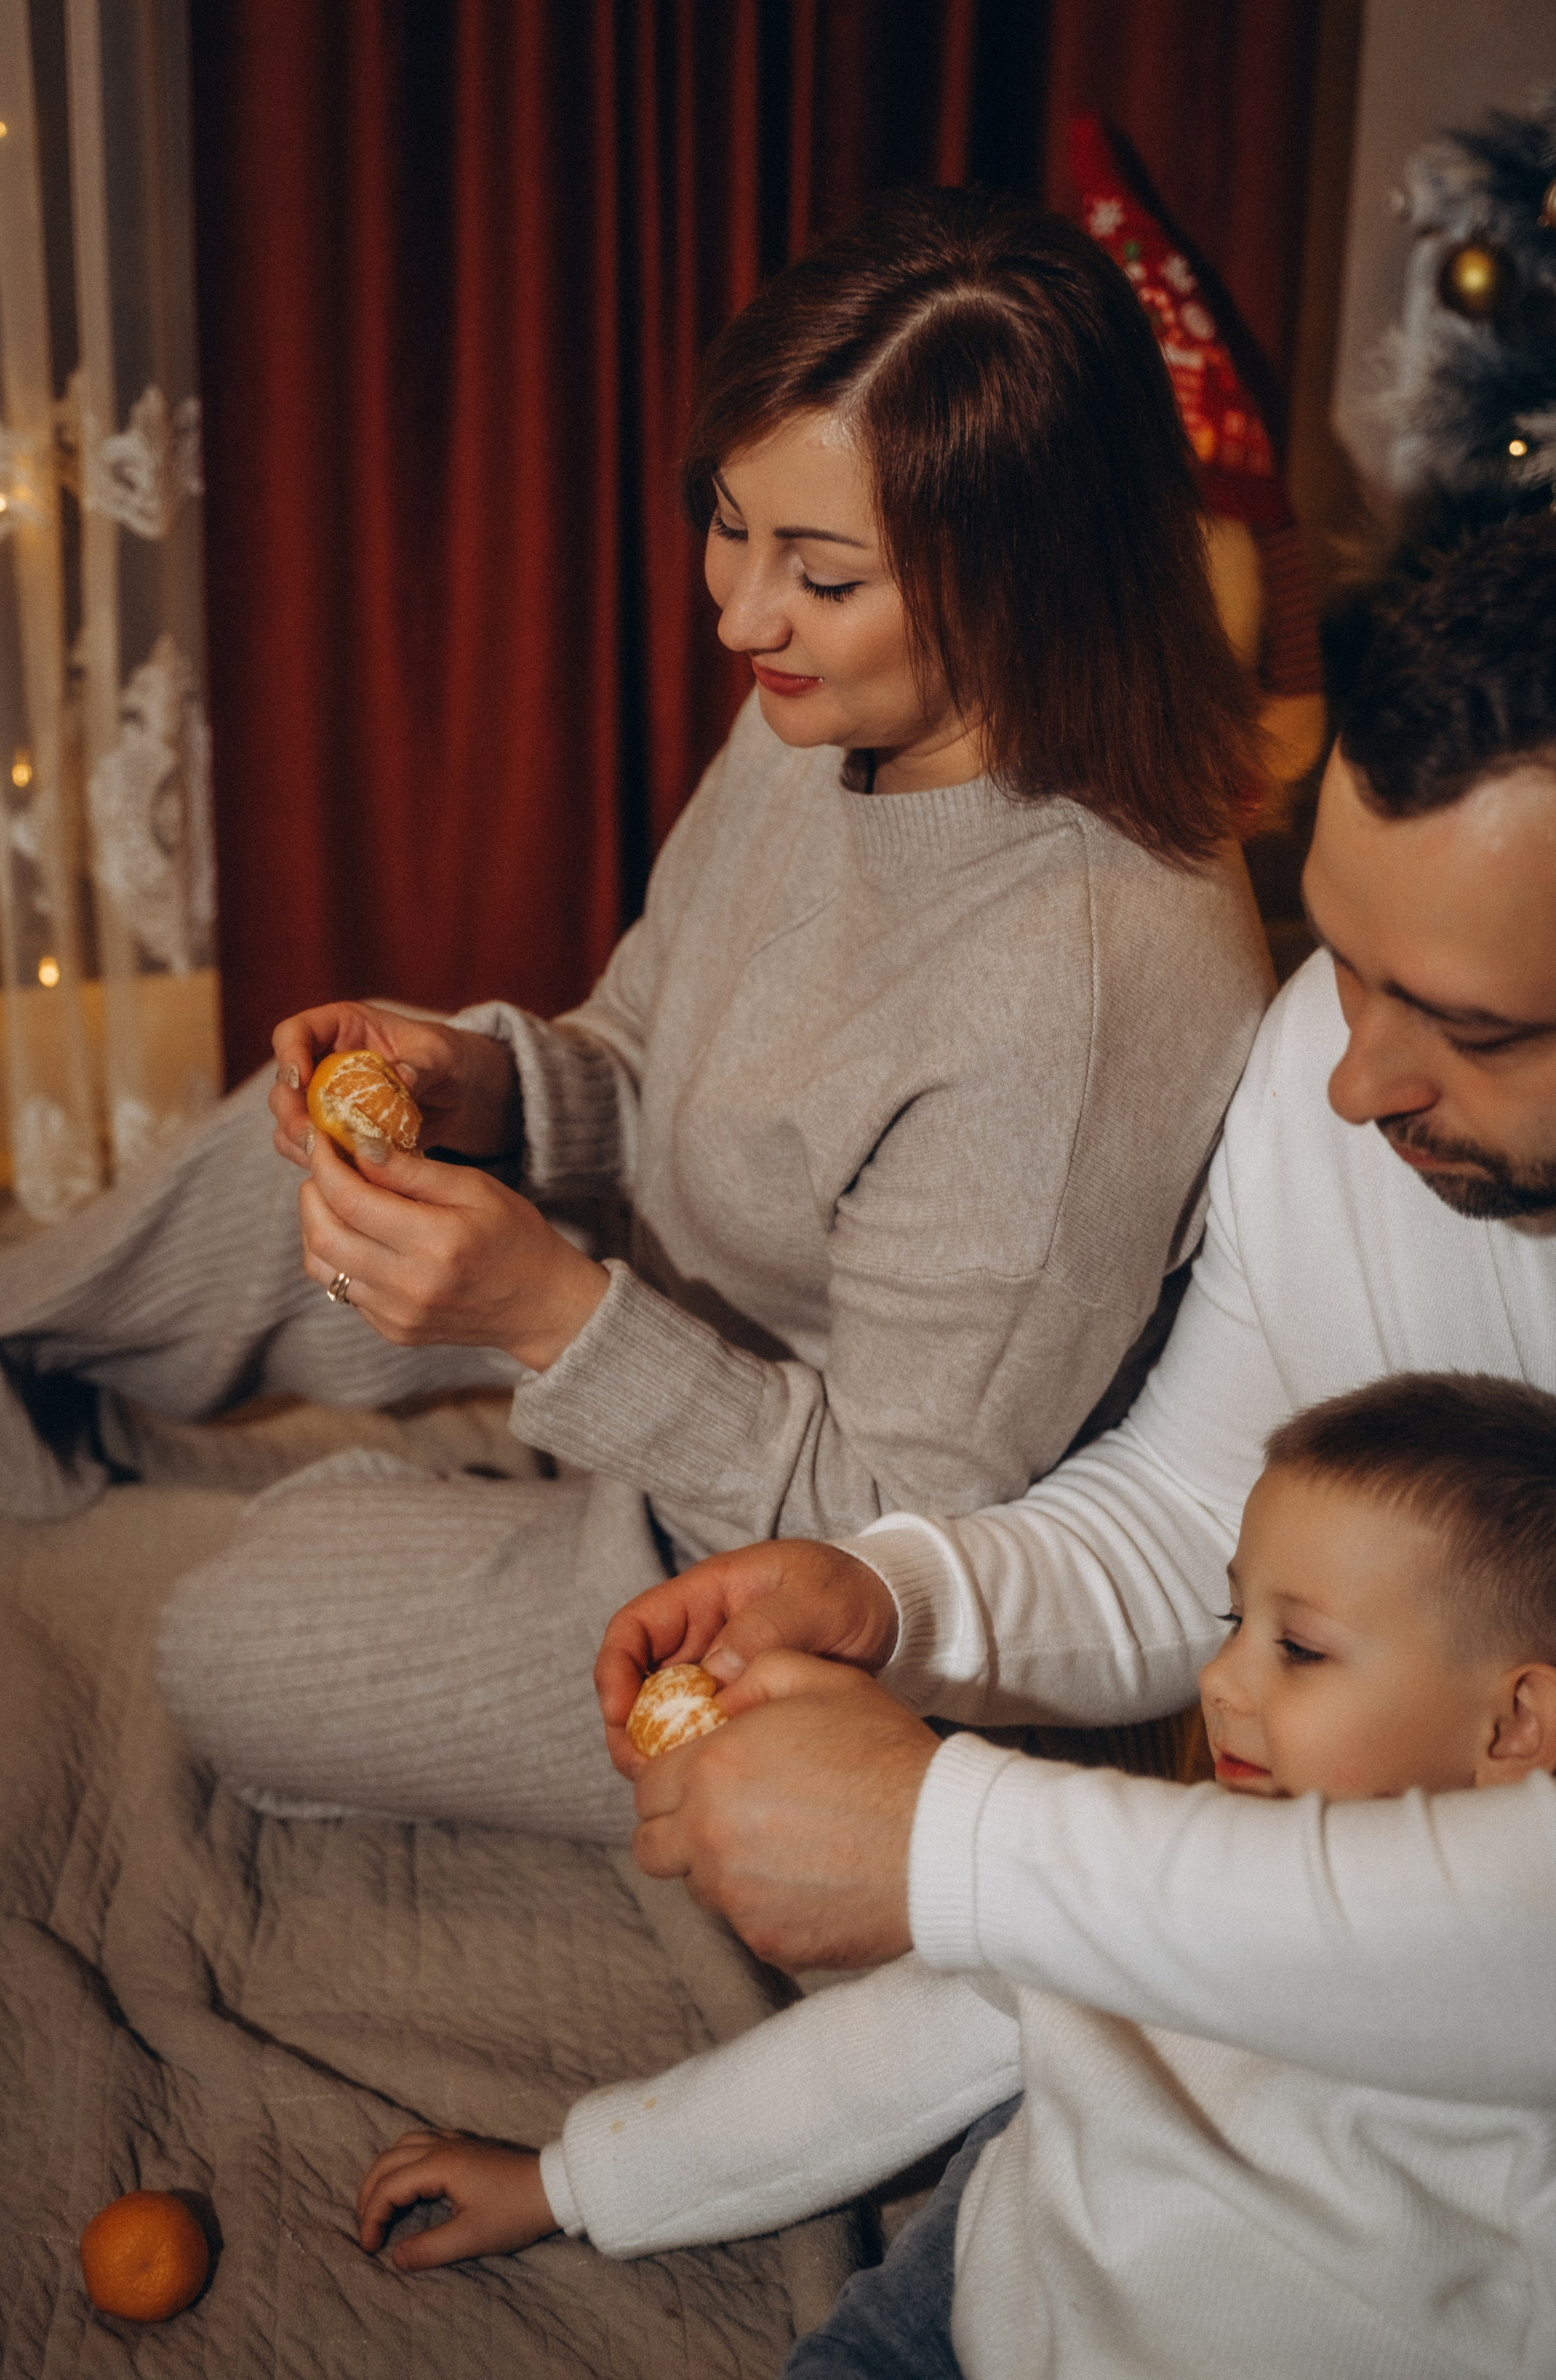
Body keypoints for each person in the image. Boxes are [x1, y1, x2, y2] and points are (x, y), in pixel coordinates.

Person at [0, 189, 1269, 1838]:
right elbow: (640, 1040)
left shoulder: (1080, 984)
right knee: (268, 1166)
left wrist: (555, 1320)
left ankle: (441, 1480)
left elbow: (891, 1539)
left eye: (818, 573)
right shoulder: (837, 709)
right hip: (666, 1301)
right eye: (729, 525)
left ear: (1026, 580)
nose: (739, 614)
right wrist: (479, 1080)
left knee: (224, 1643)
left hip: (777, 1581)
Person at [594, 513, 1556, 1962]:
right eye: (1345, 969)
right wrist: (894, 1598)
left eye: (1469, 1029)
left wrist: (964, 1848)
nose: (1354, 1088)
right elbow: (1191, 1516)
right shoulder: (1327, 1073)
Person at [355, 1372, 1556, 2380]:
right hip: (959, 2314)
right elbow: (889, 2051)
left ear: (1519, 1724)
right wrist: (572, 2178)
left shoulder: (1515, 2046)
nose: (1221, 1684)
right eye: (1230, 1622)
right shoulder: (1132, 1865)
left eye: (1297, 1648)